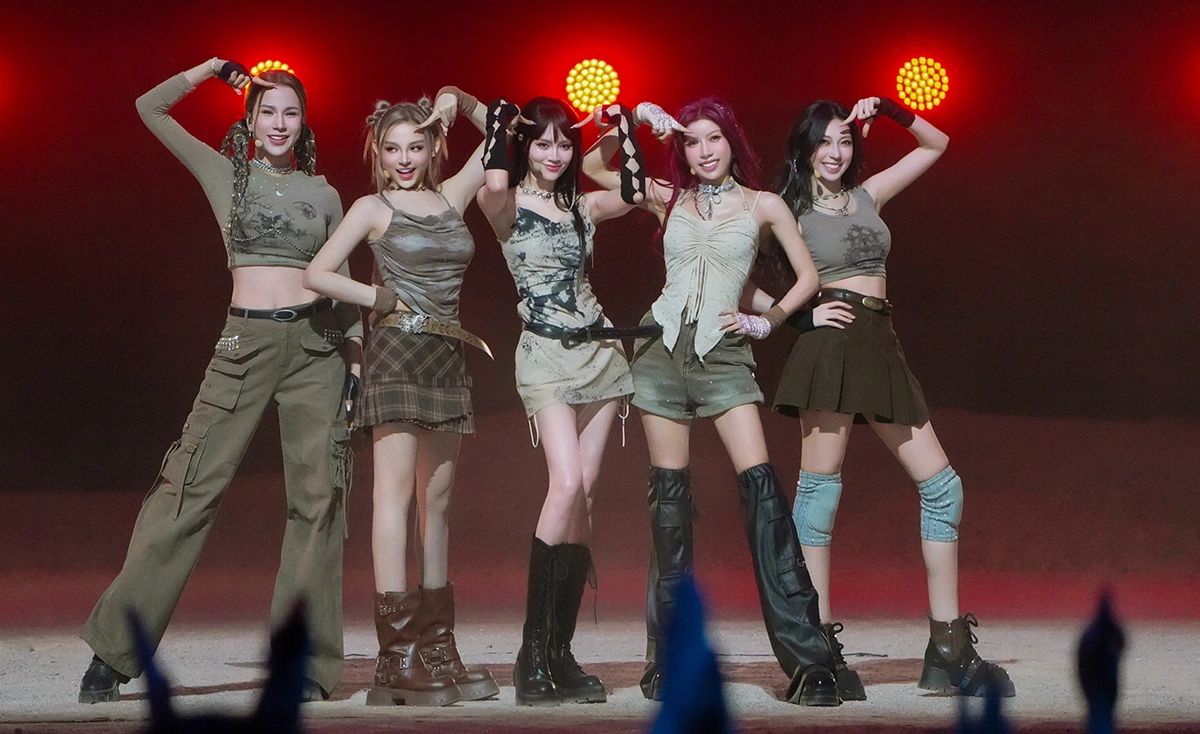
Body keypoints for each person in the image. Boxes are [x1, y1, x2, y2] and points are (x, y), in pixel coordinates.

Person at [80, 57, 361, 704]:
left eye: (291, 112)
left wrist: (354, 358)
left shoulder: (325, 195)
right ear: (251, 120)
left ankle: (303, 664)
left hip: (317, 348)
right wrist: (209, 70)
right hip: (245, 344)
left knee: (320, 499)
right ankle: (114, 652)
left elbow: (342, 281)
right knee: (190, 487)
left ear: (304, 122)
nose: (280, 123)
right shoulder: (225, 172)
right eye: (268, 112)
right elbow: (149, 108)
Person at [582, 97, 841, 706]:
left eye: (714, 138)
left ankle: (809, 661)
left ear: (731, 141)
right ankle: (669, 659)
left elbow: (807, 277)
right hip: (660, 353)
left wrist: (768, 321)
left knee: (763, 495)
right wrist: (631, 121)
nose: (704, 150)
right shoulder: (667, 197)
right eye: (692, 141)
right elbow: (594, 168)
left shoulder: (763, 204)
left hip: (724, 356)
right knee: (669, 508)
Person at [770, 95, 1014, 698]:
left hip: (880, 342)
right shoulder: (784, 208)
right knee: (818, 496)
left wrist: (889, 109)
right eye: (823, 141)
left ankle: (948, 647)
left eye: (844, 140)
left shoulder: (868, 194)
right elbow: (736, 276)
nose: (835, 152)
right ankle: (817, 651)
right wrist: (793, 318)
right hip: (829, 346)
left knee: (943, 487)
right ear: (804, 147)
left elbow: (937, 144)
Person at [304, 87, 499, 707]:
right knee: (393, 498)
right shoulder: (371, 207)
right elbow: (316, 273)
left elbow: (505, 130)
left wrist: (455, 99)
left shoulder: (453, 195)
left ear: (434, 146)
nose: (405, 158)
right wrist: (376, 297)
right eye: (392, 149)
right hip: (394, 355)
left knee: (435, 501)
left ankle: (437, 646)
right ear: (378, 153)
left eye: (416, 146)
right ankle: (395, 658)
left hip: (446, 357)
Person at [476, 97, 654, 706]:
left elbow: (633, 193)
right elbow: (491, 183)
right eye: (542, 142)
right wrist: (498, 124)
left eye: (563, 144)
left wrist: (622, 127)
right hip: (545, 357)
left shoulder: (582, 206)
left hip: (601, 355)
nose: (554, 154)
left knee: (586, 495)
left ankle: (559, 652)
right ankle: (531, 656)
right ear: (525, 145)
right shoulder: (503, 203)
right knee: (567, 483)